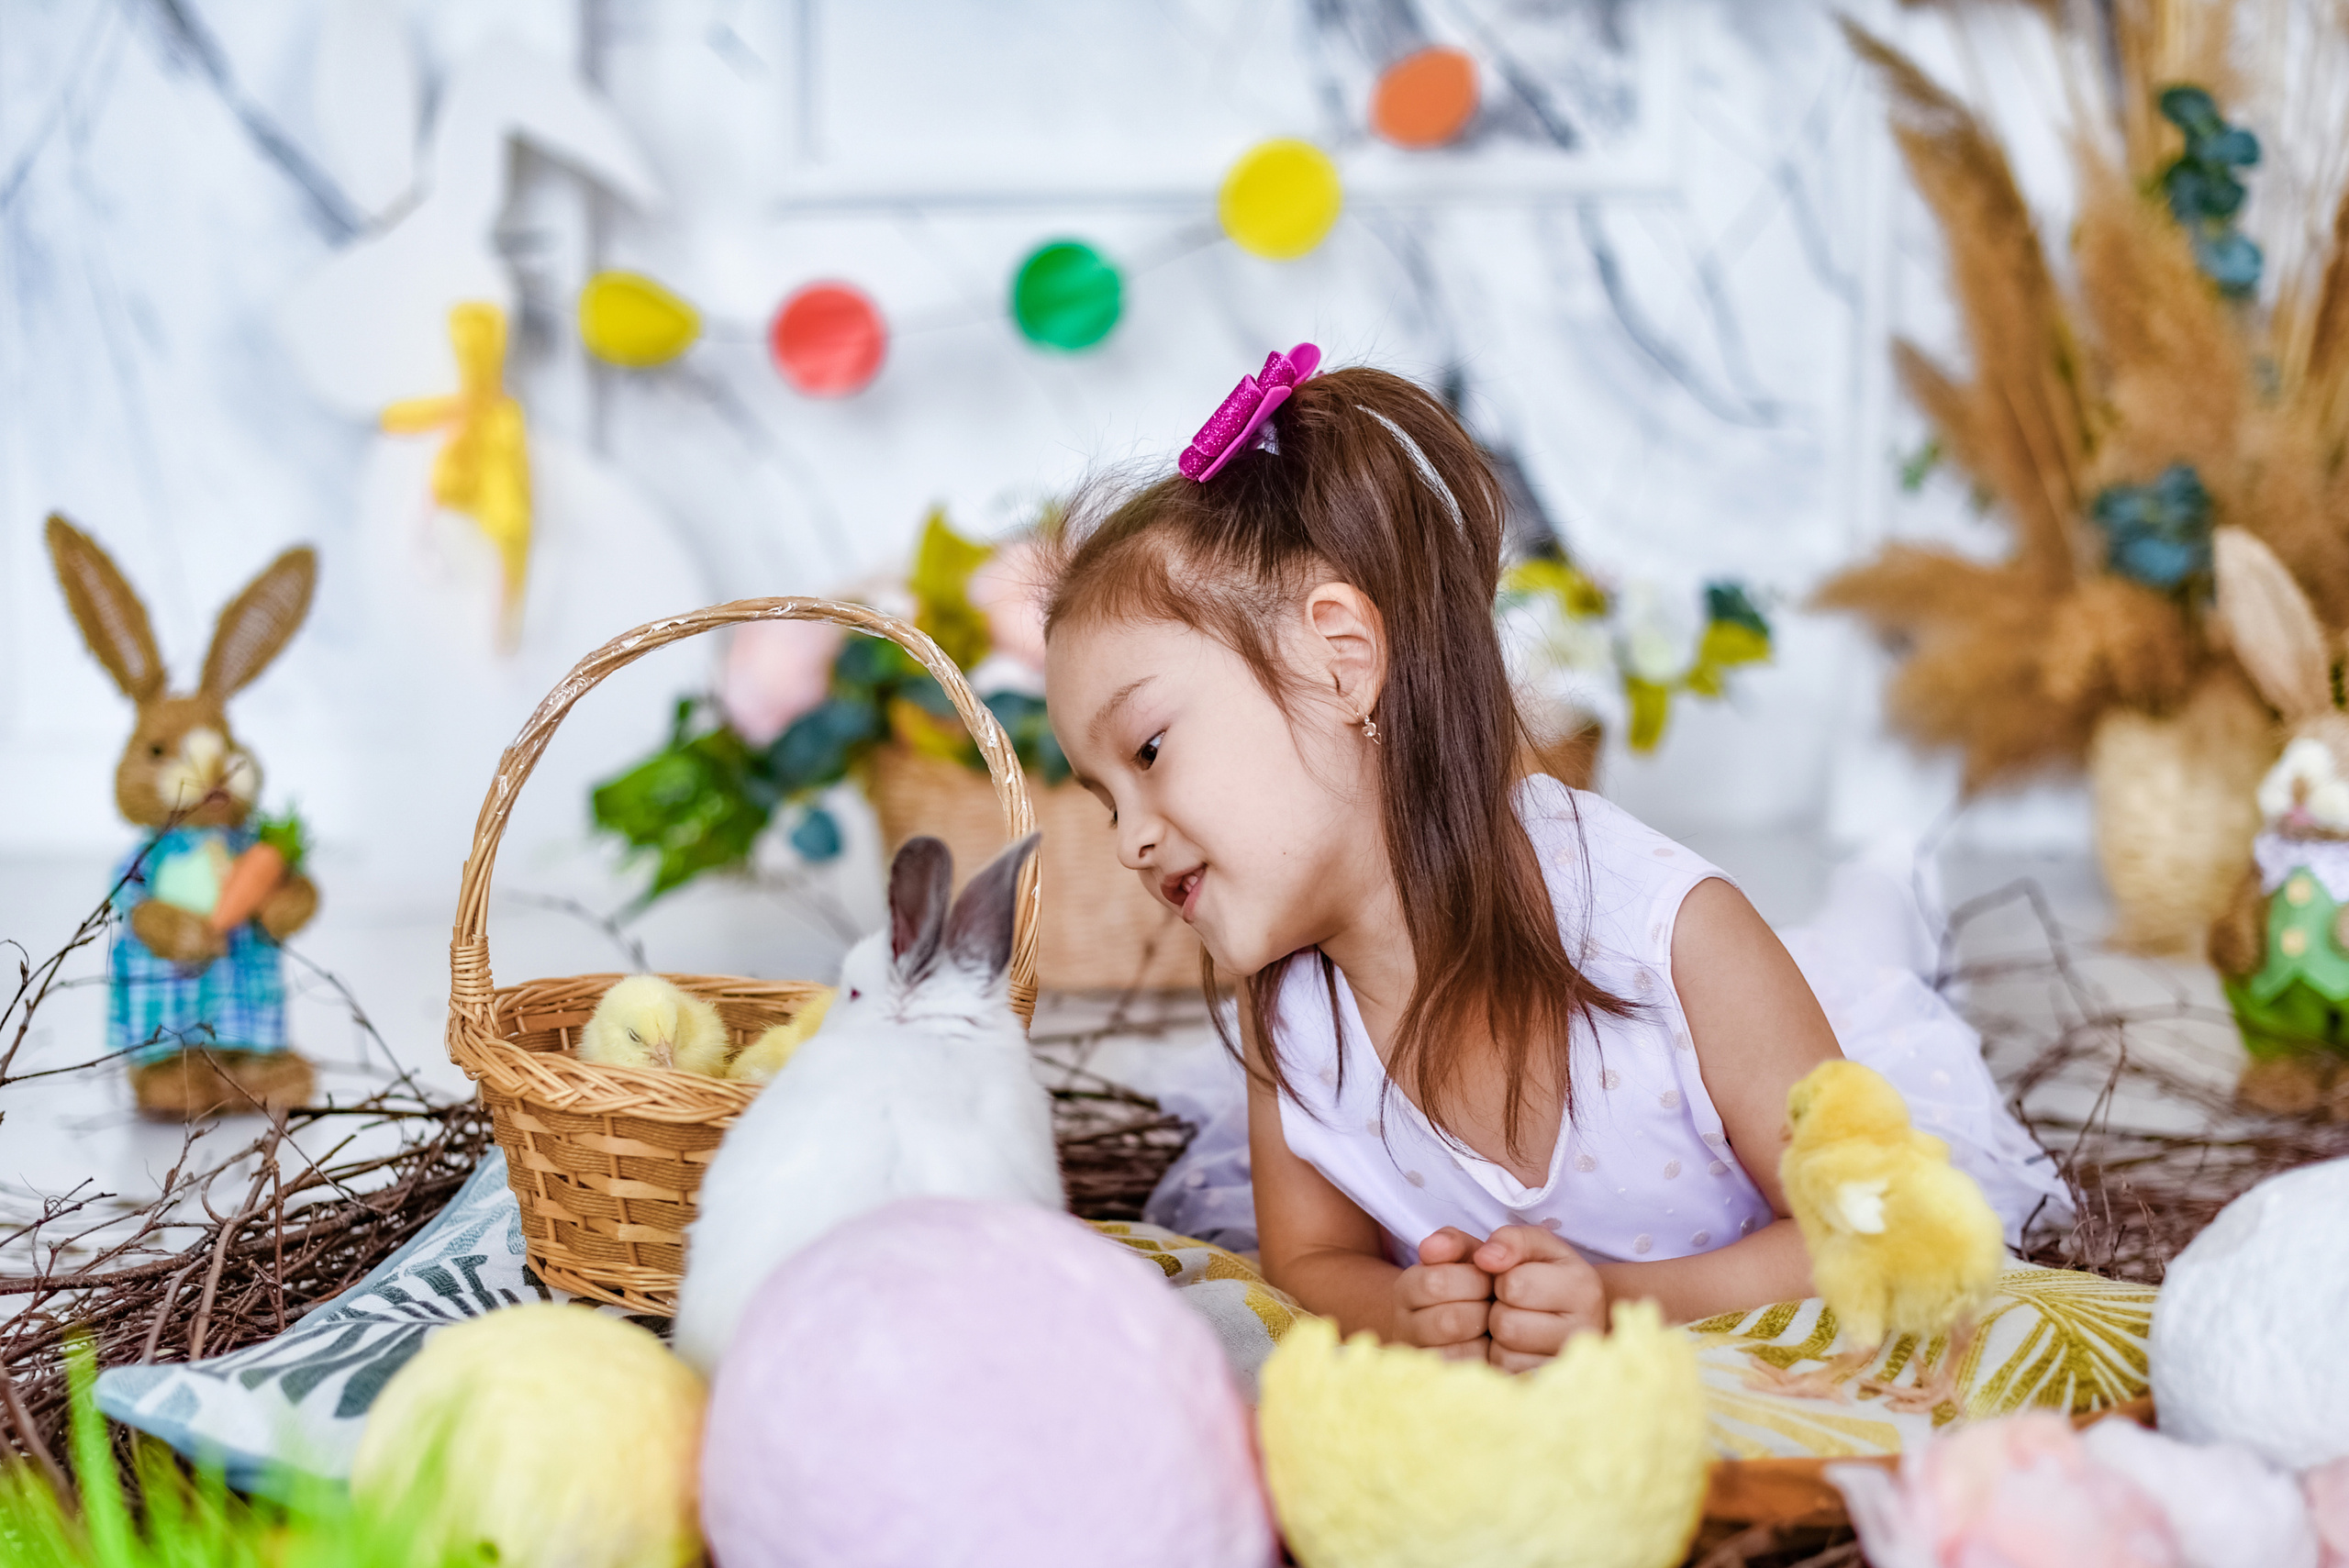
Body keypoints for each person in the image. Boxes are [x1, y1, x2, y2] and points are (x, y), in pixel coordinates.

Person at [1041, 346, 2065, 1370]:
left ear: (1339, 661)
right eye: (1105, 796)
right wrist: (1406, 1307)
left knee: (1862, 954)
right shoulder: (1293, 1009)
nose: (1130, 838)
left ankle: (1889, 882)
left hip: (1761, 1040)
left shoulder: (1671, 938)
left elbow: (1856, 1234)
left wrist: (1618, 1299)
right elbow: (1310, 1256)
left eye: (1149, 750)